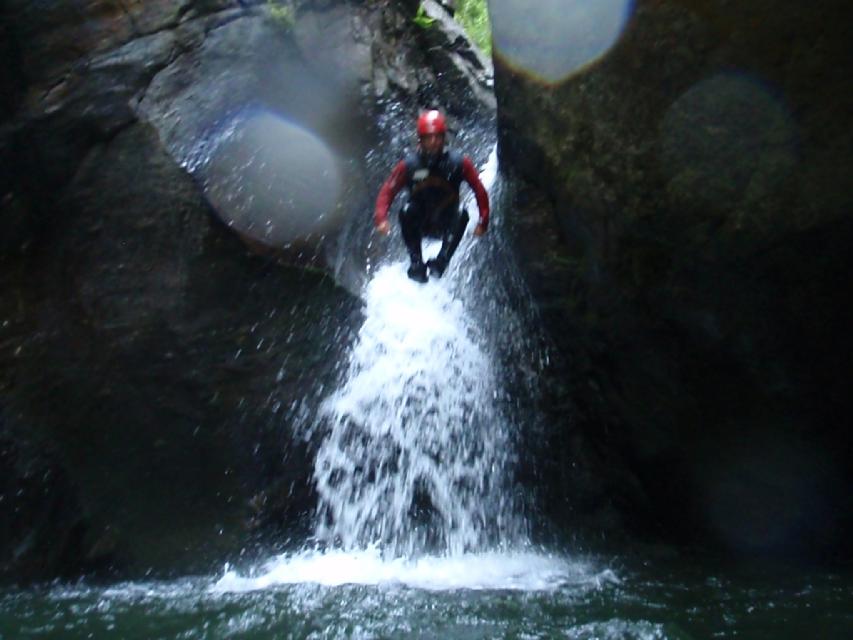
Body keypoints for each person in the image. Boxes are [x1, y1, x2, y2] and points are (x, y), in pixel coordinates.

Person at [374, 109, 490, 282]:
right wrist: (381, 218)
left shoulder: (458, 162)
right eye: (428, 138)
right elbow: (388, 190)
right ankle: (416, 264)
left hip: (446, 225)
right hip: (421, 224)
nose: (434, 142)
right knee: (406, 211)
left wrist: (483, 221)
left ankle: (442, 261)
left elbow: (479, 189)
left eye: (437, 137)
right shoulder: (409, 166)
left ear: (444, 139)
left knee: (462, 212)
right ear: (421, 140)